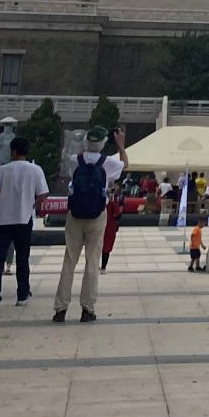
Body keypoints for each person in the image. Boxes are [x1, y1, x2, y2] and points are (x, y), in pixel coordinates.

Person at [53, 128, 124, 324]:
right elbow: (125, 164)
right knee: (92, 262)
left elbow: (71, 175)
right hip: (97, 215)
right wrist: (120, 145)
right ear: (102, 143)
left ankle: (60, 308)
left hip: (75, 214)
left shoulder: (76, 160)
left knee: (69, 261)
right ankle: (87, 309)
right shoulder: (109, 163)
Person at [0, 136, 47, 313]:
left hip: (3, 220)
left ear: (13, 151)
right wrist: (32, 204)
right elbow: (42, 194)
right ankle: (22, 294)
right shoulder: (36, 170)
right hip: (24, 218)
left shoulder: (3, 170)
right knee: (22, 258)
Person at [100, 188, 124, 272]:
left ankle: (94, 266)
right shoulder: (112, 204)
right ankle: (103, 267)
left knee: (96, 248)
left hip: (98, 228)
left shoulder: (97, 203)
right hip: (110, 228)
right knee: (106, 248)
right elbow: (118, 215)